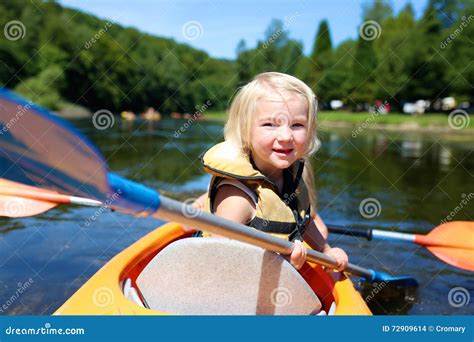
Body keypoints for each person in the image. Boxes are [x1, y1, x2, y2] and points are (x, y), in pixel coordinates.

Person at [192, 72, 348, 271]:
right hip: (231, 283)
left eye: (297, 125)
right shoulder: (237, 198)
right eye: (269, 124)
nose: (285, 136)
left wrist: (326, 250)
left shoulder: (292, 179)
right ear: (245, 130)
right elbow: (217, 263)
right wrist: (280, 262)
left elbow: (303, 220)